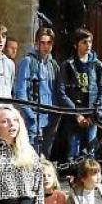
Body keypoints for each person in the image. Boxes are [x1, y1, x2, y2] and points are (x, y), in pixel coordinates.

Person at [56, 28, 102, 159]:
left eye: (90, 42)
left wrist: (95, 114)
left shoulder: (97, 65)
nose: (88, 45)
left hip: (91, 115)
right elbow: (62, 92)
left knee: (91, 151)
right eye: (84, 42)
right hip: (74, 117)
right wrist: (76, 114)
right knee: (73, 151)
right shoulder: (68, 65)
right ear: (76, 45)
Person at [15, 27, 60, 157]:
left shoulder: (53, 64)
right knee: (33, 153)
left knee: (46, 155)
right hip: (34, 115)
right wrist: (30, 114)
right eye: (42, 43)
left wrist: (57, 114)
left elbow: (56, 90)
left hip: (51, 116)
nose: (46, 46)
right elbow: (21, 91)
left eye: (49, 43)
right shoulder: (28, 62)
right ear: (36, 43)